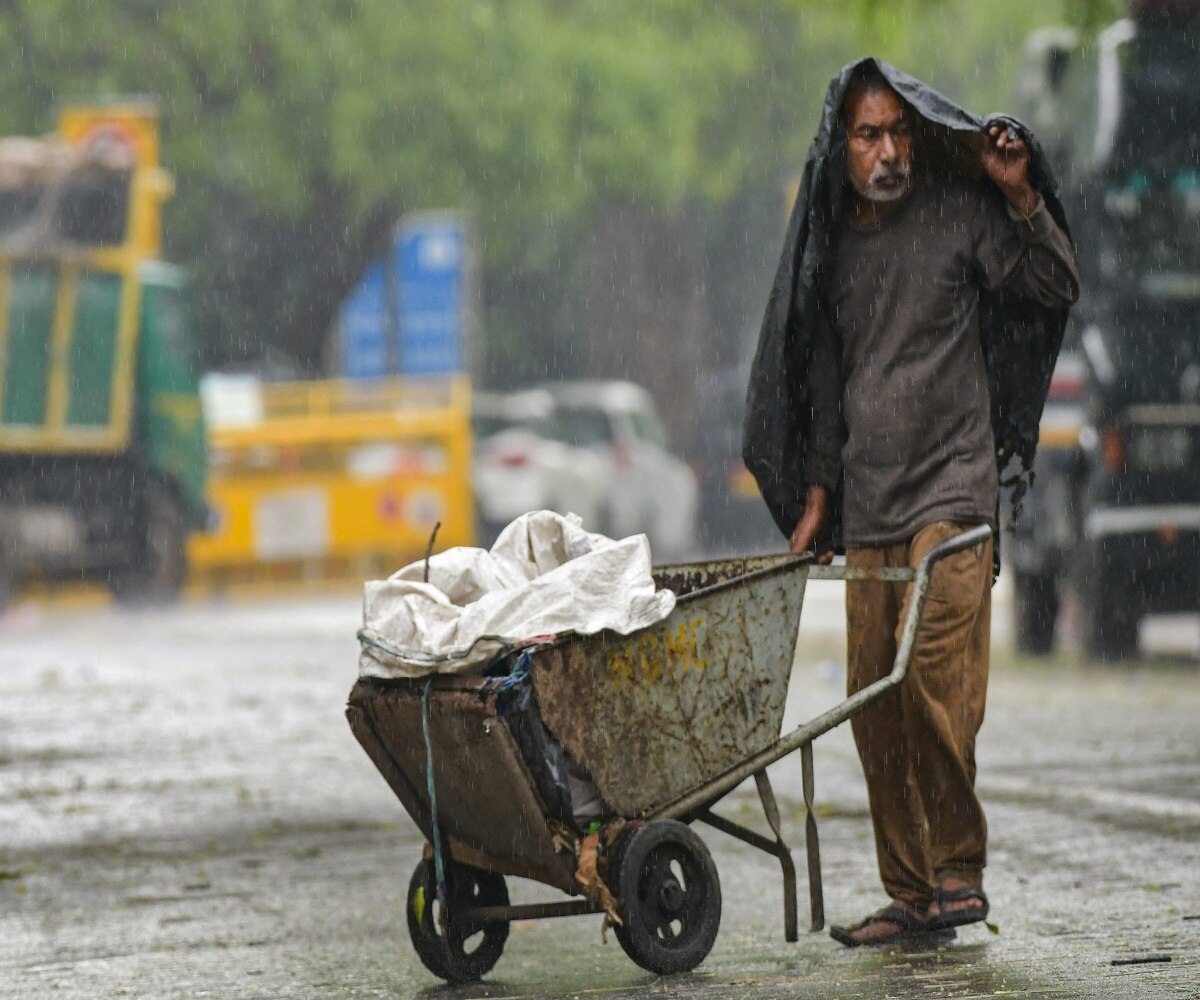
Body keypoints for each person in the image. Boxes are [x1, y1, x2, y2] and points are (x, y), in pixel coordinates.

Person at [744, 60, 1080, 947]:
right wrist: (816, 494)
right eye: (868, 135)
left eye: (898, 131)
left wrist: (1019, 197)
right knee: (872, 696)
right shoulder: (832, 243)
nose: (889, 151)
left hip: (954, 489)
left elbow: (1055, 286)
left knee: (930, 672)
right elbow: (819, 374)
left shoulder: (957, 211)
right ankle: (913, 894)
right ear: (841, 147)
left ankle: (958, 867)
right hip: (873, 502)